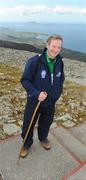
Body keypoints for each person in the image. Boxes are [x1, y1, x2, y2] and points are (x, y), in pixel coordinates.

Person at [20, 34, 65, 158]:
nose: (56, 50)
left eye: (59, 47)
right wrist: (36, 93)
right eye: (54, 46)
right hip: (35, 101)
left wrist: (58, 92)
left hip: (51, 102)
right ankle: (26, 143)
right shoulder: (35, 61)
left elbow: (61, 78)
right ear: (47, 45)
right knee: (29, 123)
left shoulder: (60, 62)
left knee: (46, 122)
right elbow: (25, 80)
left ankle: (43, 138)